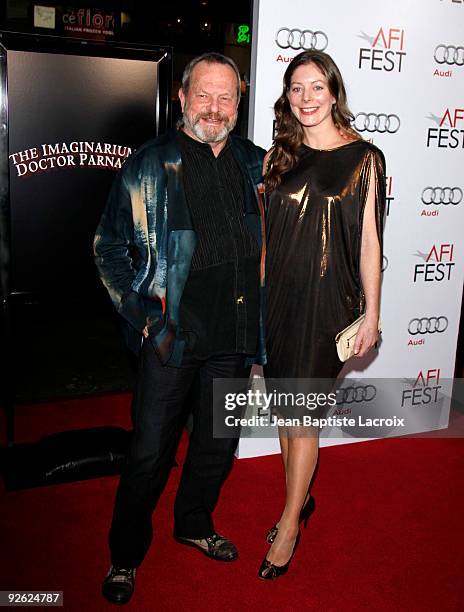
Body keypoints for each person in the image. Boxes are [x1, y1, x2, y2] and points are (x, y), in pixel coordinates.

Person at [94, 52, 266, 604]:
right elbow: (107, 249)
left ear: (238, 104)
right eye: (203, 95)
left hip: (234, 335)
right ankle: (125, 556)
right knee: (149, 452)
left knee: (217, 445)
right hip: (171, 338)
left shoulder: (255, 163)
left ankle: (193, 523)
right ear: (183, 98)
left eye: (226, 97)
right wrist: (146, 320)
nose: (214, 108)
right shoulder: (149, 164)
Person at [259, 50, 385, 580]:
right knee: (286, 406)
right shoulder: (277, 157)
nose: (306, 98)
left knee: (301, 413)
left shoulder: (366, 158)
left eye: (316, 87)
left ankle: (289, 523)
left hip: (329, 301)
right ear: (288, 98)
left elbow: (371, 243)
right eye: (296, 89)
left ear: (334, 91)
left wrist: (372, 314)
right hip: (278, 300)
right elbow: (266, 238)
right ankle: (300, 499)